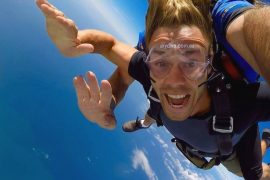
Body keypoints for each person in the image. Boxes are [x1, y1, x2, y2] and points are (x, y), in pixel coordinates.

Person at [36, 0, 270, 179]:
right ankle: (144, 122)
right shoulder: (149, 58)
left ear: (209, 65)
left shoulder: (246, 102)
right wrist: (77, 41)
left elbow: (255, 27)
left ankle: (265, 141)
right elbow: (110, 45)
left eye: (191, 62)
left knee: (256, 175)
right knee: (156, 103)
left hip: (233, 140)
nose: (175, 79)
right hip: (190, 129)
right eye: (160, 61)